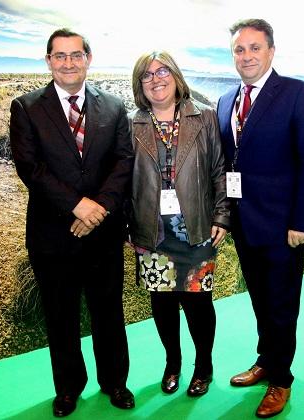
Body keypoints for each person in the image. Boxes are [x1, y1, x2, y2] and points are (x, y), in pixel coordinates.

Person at [10, 28, 135, 417]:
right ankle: (68, 389)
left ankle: (115, 382)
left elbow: (124, 162)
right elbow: (30, 167)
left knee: (108, 311)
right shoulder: (26, 107)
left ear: (88, 58)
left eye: (75, 55)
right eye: (59, 56)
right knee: (61, 315)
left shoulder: (113, 107)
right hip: (53, 234)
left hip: (104, 232)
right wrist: (76, 206)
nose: (68, 62)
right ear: (48, 61)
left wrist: (98, 208)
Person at [216, 19, 304, 418]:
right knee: (261, 300)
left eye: (254, 48)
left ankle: (281, 379)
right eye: (239, 49)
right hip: (245, 224)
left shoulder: (299, 94)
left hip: (285, 226)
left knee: (282, 304)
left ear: (271, 51)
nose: (246, 56)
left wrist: (303, 221)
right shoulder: (226, 99)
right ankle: (266, 360)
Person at [129, 51, 229, 397]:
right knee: (163, 302)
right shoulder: (131, 124)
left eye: (162, 71)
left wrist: (222, 215)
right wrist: (129, 225)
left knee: (199, 303)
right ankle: (173, 363)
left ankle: (204, 366)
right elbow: (123, 180)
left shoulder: (204, 118)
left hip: (197, 229)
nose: (156, 79)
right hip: (152, 232)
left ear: (176, 76)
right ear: (139, 83)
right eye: (147, 75)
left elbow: (220, 170)